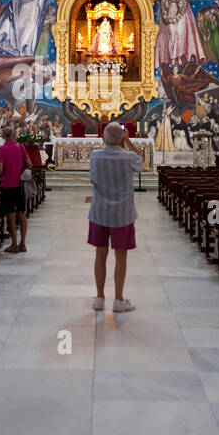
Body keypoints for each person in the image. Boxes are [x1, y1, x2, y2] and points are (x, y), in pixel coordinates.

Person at [88, 122, 142, 312]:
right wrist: (127, 141)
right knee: (121, 255)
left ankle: (100, 297)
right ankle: (118, 299)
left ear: (103, 138)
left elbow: (92, 178)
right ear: (122, 138)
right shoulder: (128, 157)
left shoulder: (96, 156)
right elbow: (141, 162)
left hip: (100, 211)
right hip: (122, 213)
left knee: (100, 253)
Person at [0, 125, 30, 253]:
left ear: (3, 137)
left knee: (10, 214)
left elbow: (0, 170)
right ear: (14, 135)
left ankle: (14, 244)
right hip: (20, 185)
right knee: (22, 213)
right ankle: (23, 243)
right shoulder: (21, 147)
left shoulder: (1, 149)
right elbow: (30, 164)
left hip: (8, 185)